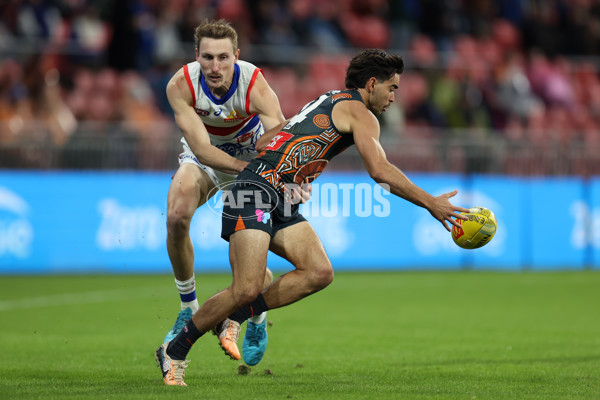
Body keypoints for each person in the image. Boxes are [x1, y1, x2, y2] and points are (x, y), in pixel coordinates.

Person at [155, 48, 470, 386]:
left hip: (280, 195)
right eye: (392, 88)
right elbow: (380, 170)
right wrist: (431, 203)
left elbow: (270, 138)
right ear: (373, 83)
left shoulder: (329, 98)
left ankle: (234, 316)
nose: (394, 96)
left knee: (319, 272)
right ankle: (175, 350)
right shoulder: (361, 113)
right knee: (246, 286)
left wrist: (292, 170)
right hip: (255, 191)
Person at [162, 18, 290, 368]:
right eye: (207, 58)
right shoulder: (181, 85)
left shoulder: (255, 84)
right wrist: (242, 167)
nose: (215, 67)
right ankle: (189, 308)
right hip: (207, 158)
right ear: (196, 56)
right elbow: (202, 150)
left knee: (251, 264)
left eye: (222, 57)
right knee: (175, 216)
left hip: (251, 161)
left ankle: (256, 318)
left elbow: (280, 133)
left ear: (237, 55)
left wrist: (279, 172)